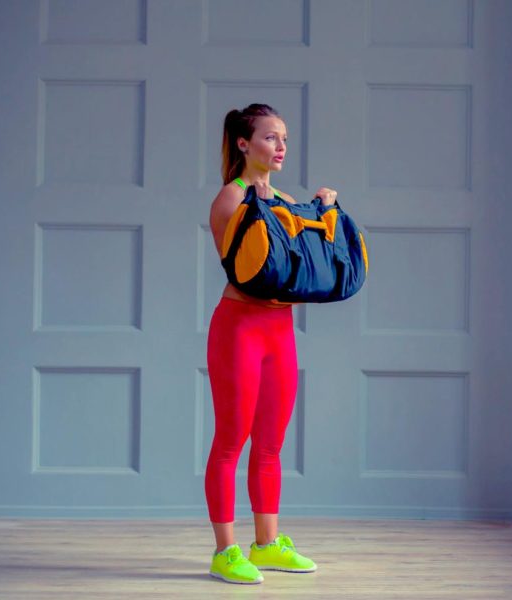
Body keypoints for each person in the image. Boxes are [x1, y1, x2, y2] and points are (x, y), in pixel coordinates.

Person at [204, 103, 334, 585]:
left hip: (281, 331)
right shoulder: (230, 199)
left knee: (272, 445)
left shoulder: (281, 197)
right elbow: (248, 267)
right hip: (240, 327)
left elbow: (307, 265)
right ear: (244, 143)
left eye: (284, 139)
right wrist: (266, 209)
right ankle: (225, 551)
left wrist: (324, 212)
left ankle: (266, 545)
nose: (281, 147)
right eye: (270, 138)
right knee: (229, 444)